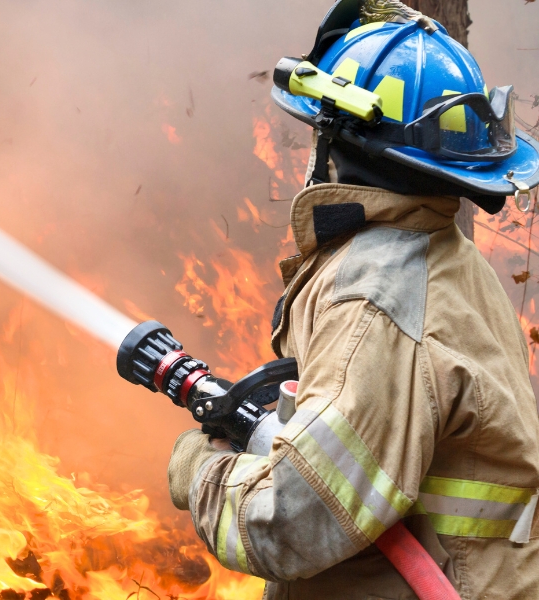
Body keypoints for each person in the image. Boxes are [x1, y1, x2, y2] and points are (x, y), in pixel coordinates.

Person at [166, 0, 539, 598]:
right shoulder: (440, 253)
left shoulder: (377, 302)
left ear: (339, 142)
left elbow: (289, 522)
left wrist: (198, 469)